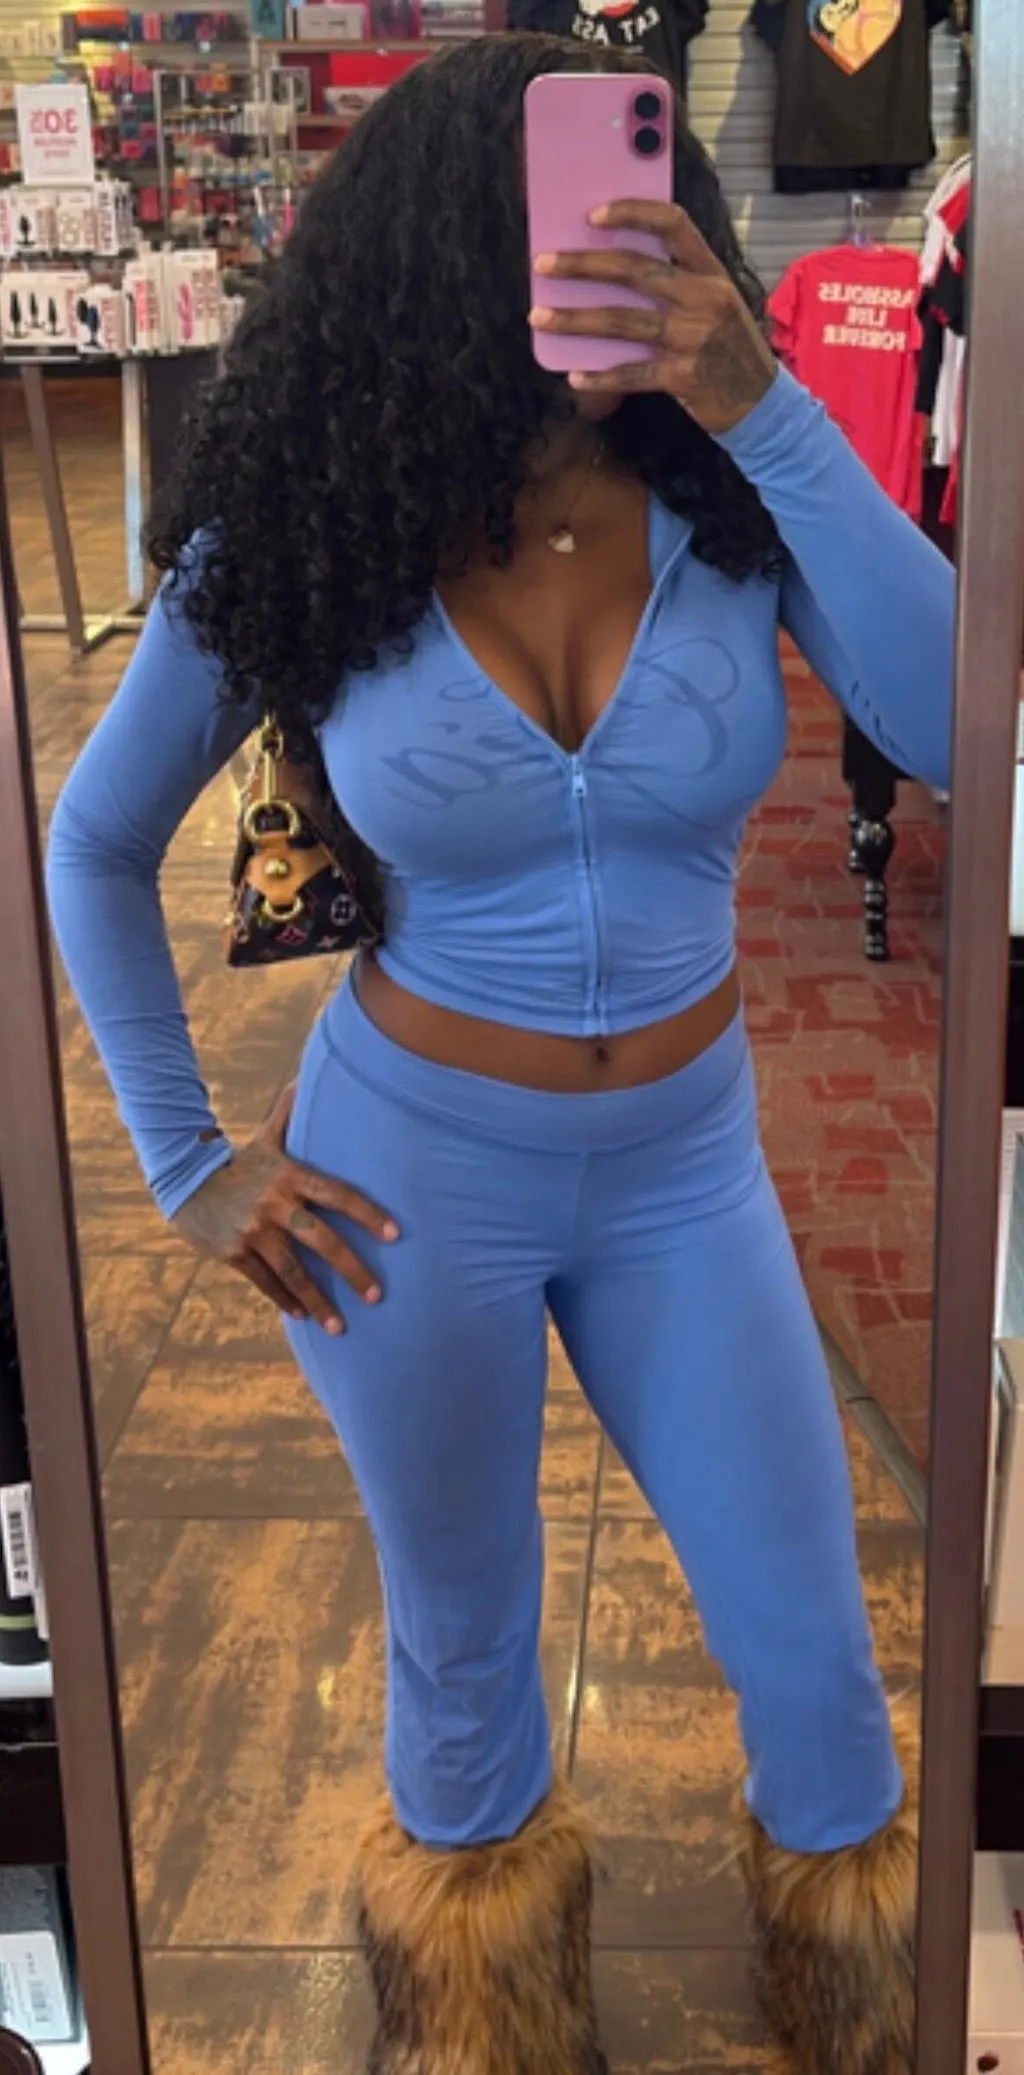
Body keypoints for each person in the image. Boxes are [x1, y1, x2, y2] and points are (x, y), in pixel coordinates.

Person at [46, 34, 952, 2075]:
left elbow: (954, 727)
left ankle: (852, 1988)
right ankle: (485, 2022)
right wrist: (189, 1163)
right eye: (556, 220)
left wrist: (763, 403)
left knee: (810, 1642)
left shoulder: (732, 497)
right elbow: (92, 841)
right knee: (462, 1643)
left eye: (652, 209)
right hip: (411, 1179)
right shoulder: (314, 524)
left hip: (689, 1172)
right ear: (444, 271)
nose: (614, 251)